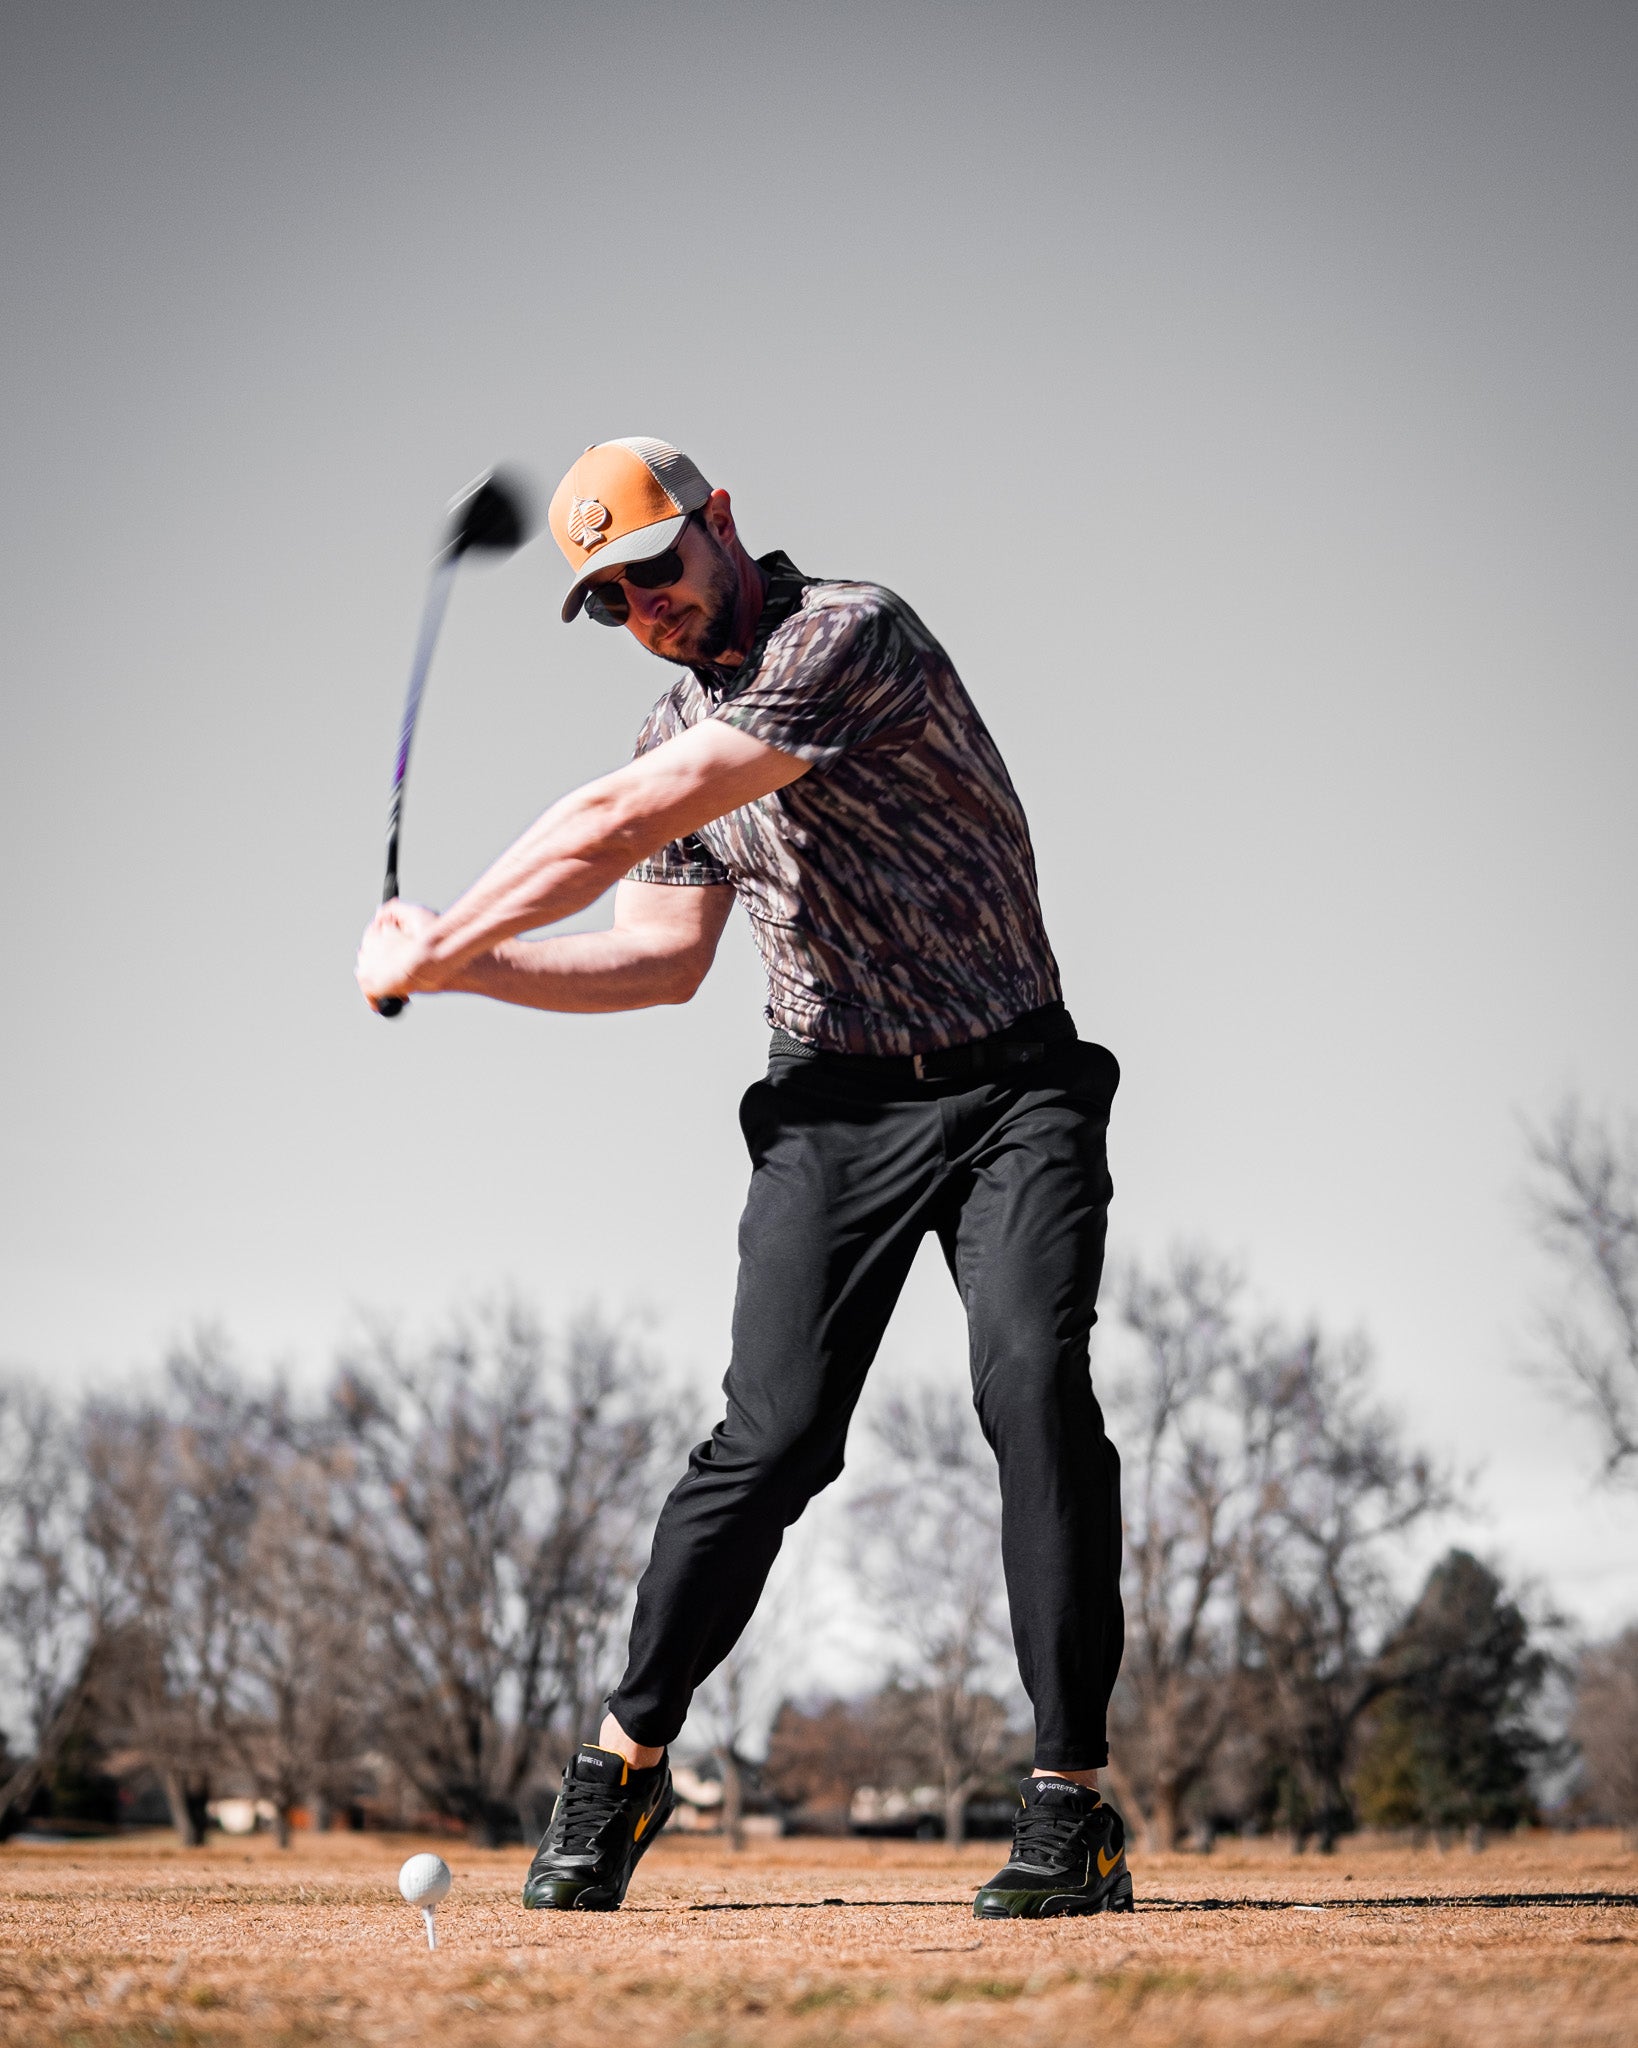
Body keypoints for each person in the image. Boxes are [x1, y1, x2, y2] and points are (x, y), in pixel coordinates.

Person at [355, 437, 1131, 1920]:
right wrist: (459, 974)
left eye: (655, 566)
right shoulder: (670, 720)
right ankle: (625, 1767)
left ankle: (1069, 1807)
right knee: (769, 1442)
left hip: (1011, 1085)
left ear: (719, 522)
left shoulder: (849, 635)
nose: (644, 605)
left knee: (1031, 1389)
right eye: (610, 599)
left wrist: (441, 935)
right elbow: (657, 961)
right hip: (830, 1104)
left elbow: (617, 820)